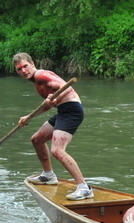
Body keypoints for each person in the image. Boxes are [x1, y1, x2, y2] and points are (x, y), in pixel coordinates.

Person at [13, 53, 92, 201]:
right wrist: (28, 117)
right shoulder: (38, 82)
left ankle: (84, 188)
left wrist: (54, 97)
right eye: (19, 69)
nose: (23, 70)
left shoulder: (41, 75)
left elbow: (64, 88)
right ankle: (48, 175)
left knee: (57, 150)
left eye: (25, 66)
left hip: (71, 111)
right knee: (37, 139)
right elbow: (47, 106)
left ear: (32, 64)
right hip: (63, 111)